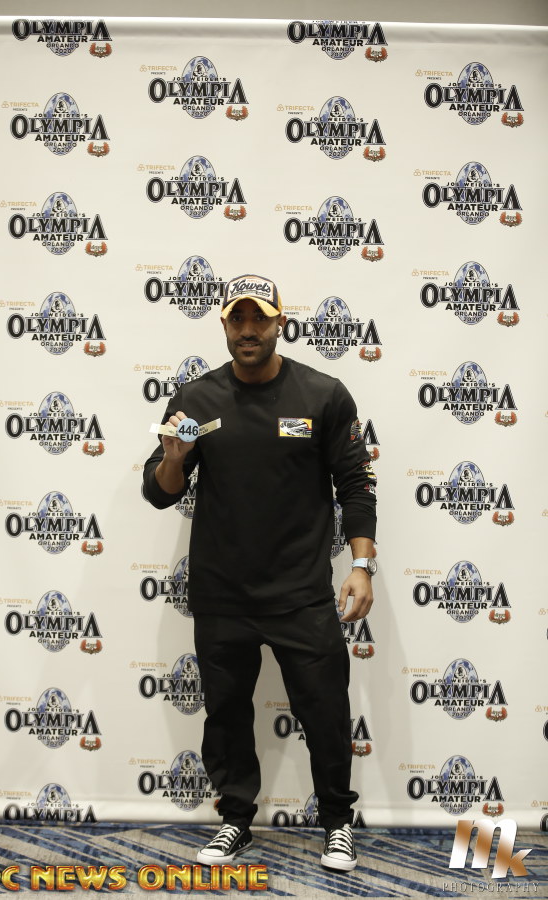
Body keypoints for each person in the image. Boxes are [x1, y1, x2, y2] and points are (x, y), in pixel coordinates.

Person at [143, 274, 377, 872]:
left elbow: (355, 483)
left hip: (301, 593)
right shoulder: (195, 400)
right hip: (222, 595)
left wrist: (362, 565)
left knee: (325, 713)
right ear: (224, 324)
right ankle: (235, 821)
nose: (249, 330)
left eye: (260, 318)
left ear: (279, 323)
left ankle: (337, 822)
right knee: (226, 716)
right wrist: (174, 459)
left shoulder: (323, 395)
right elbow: (160, 492)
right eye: (238, 319)